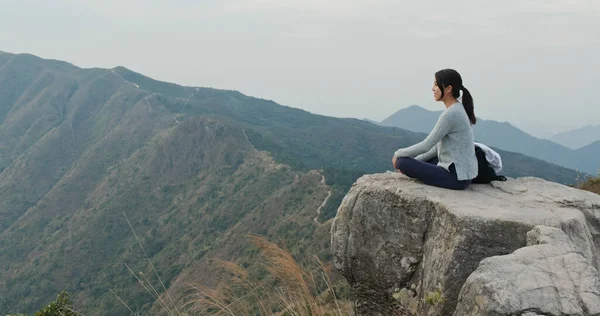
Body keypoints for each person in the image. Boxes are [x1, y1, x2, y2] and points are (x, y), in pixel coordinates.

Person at [392, 69, 478, 190]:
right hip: (462, 173)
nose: (433, 88)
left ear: (448, 89)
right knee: (418, 159)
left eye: (436, 84)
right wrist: (416, 161)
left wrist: (398, 154)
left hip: (456, 177)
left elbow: (426, 145)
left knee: (402, 162)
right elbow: (436, 147)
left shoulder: (450, 114)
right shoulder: (458, 109)